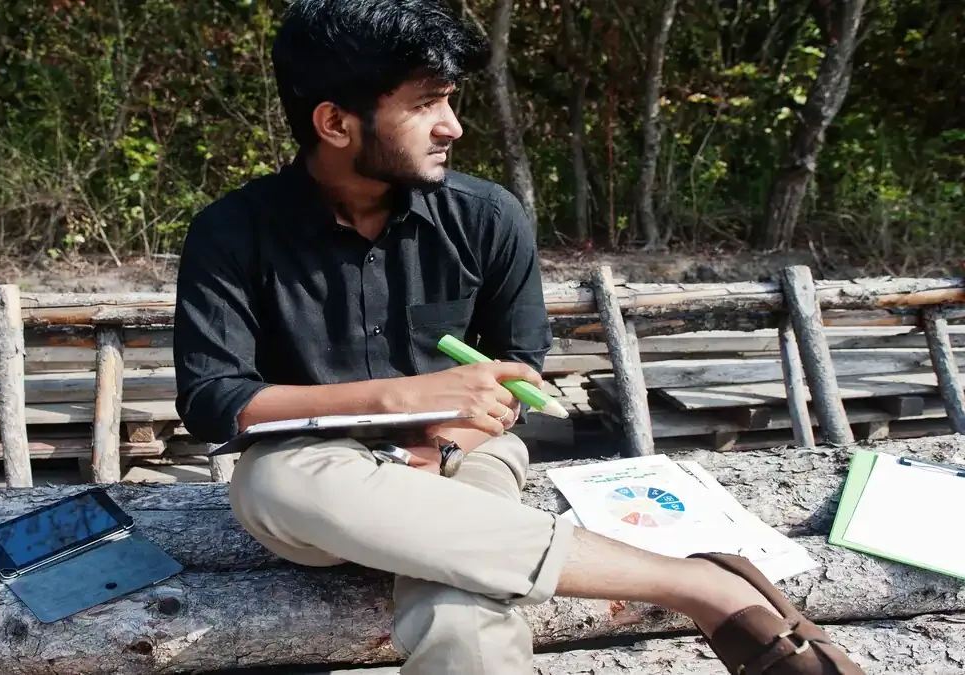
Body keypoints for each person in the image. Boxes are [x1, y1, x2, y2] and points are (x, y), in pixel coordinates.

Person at [173, 1, 865, 673]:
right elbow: (214, 399)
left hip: (464, 451)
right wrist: (404, 400)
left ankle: (699, 584)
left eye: (451, 100)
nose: (453, 126)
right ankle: (704, 586)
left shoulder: (487, 216)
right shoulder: (232, 231)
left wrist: (441, 442)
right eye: (425, 104)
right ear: (334, 122)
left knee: (463, 610)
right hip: (312, 469)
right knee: (277, 482)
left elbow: (522, 368)